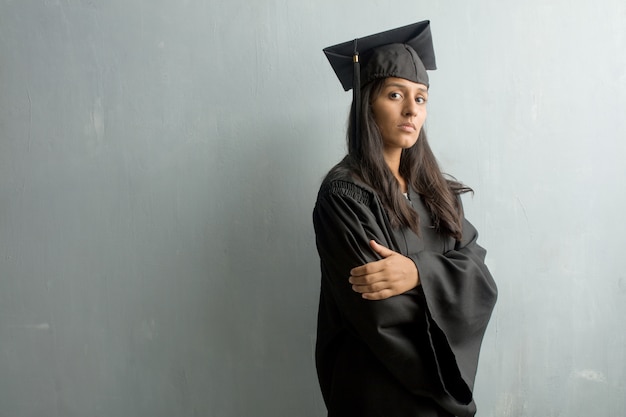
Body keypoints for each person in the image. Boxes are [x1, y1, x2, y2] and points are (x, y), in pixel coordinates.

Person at [313, 21, 498, 417]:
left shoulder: (439, 195)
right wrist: (442, 276)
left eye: (422, 98)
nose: (412, 109)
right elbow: (379, 313)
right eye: (395, 95)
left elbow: (479, 277)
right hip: (374, 397)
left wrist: (417, 273)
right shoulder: (345, 196)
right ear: (367, 103)